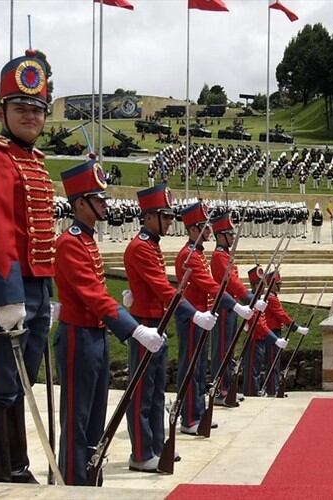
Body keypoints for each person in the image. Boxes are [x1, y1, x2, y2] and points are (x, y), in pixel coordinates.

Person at [0, 49, 54, 484]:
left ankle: (18, 468)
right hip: (5, 289)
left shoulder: (33, 160)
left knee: (21, 382)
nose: (30, 116)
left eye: (37, 109)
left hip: (35, 288)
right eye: (21, 108)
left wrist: (45, 293)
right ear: (1, 110)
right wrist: (8, 297)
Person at [53, 158, 164, 486]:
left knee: (96, 415)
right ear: (80, 203)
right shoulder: (70, 243)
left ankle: (90, 476)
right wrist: (134, 328)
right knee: (77, 417)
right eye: (98, 199)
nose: (104, 204)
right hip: (78, 336)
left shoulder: (86, 240)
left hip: (96, 336)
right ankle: (74, 481)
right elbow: (92, 295)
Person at [122, 184, 216, 473]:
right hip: (146, 323)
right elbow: (163, 289)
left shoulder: (150, 245)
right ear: (149, 217)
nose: (169, 222)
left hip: (157, 322)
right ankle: (141, 451)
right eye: (164, 217)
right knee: (142, 391)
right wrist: (193, 313)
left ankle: (154, 446)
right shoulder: (141, 246)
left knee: (155, 389)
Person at [173, 203, 240, 435]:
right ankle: (189, 416)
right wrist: (234, 304)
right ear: (193, 230)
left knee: (199, 367)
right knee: (192, 367)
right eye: (204, 227)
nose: (209, 232)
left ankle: (197, 411)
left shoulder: (197, 253)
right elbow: (209, 284)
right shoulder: (189, 255)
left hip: (201, 316)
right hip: (193, 317)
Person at [208, 212, 253, 406]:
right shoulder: (219, 256)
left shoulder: (225, 255)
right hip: (224, 307)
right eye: (229, 234)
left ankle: (227, 386)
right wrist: (247, 296)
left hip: (232, 307)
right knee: (222, 350)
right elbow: (231, 282)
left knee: (229, 348)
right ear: (219, 236)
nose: (232, 238)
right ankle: (220, 389)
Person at [258, 272, 308, 395]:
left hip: (275, 331)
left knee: (275, 361)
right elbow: (282, 316)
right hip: (272, 332)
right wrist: (296, 328)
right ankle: (272, 389)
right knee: (273, 362)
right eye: (278, 284)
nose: (280, 286)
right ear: (272, 284)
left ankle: (273, 388)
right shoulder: (271, 298)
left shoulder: (272, 297)